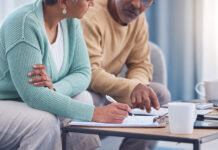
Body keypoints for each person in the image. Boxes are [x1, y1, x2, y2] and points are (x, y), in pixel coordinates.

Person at [0, 0, 131, 149]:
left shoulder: (70, 22)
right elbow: (33, 95)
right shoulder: (23, 23)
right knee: (44, 122)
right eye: (87, 0)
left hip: (25, 100)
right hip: (5, 101)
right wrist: (94, 113)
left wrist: (54, 89)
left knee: (84, 98)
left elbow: (82, 72)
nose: (93, 3)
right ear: (63, 2)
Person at [81, 0, 171, 149]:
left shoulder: (139, 20)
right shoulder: (90, 14)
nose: (136, 5)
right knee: (88, 100)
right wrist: (133, 87)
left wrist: (137, 87)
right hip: (88, 89)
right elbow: (89, 72)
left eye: (145, 1)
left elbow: (140, 64)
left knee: (159, 94)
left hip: (112, 89)